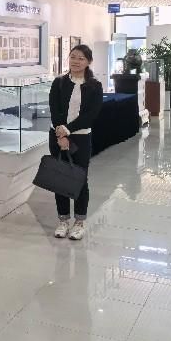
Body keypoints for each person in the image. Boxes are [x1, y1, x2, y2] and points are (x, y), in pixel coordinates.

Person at [49, 44, 103, 241]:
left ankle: (79, 222)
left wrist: (68, 130)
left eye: (81, 58)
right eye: (73, 57)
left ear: (88, 62)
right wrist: (61, 134)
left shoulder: (95, 86)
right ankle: (63, 220)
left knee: (80, 178)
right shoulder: (59, 82)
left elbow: (91, 115)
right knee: (60, 178)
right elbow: (54, 110)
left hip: (81, 137)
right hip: (57, 136)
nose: (76, 61)